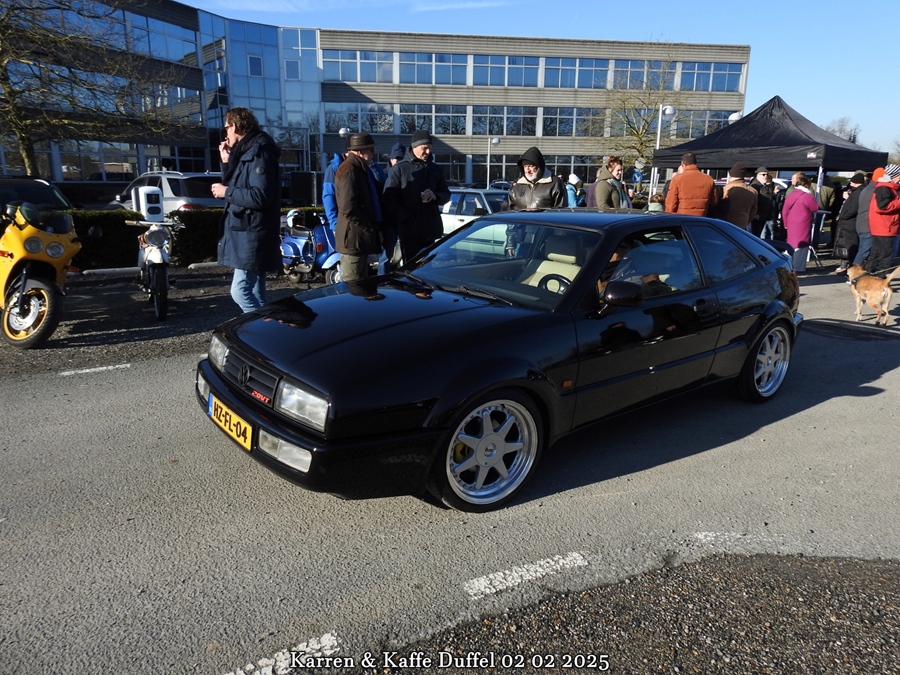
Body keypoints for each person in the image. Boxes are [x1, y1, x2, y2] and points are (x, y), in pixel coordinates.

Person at [211, 107, 282, 313]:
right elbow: (240, 184)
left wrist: (226, 191)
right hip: (249, 233)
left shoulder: (258, 153)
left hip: (252, 234)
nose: (225, 134)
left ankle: (262, 328)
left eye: (226, 128)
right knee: (257, 293)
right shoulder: (247, 151)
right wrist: (226, 163)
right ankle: (268, 327)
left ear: (235, 126)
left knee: (240, 291)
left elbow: (260, 197)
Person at [382, 130, 451, 264]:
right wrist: (405, 217)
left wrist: (435, 196)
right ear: (414, 147)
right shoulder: (400, 169)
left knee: (428, 268)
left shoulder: (435, 169)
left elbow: (446, 194)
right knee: (411, 267)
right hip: (409, 231)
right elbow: (388, 198)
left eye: (430, 148)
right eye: (424, 148)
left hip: (431, 229)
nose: (428, 152)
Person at [334, 132, 383, 281]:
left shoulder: (359, 169)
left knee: (360, 285)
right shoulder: (350, 170)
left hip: (357, 239)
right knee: (352, 285)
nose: (374, 153)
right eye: (371, 149)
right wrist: (368, 226)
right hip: (353, 240)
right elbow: (348, 208)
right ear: (360, 151)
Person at [508, 146, 566, 211]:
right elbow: (510, 212)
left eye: (531, 166)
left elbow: (560, 212)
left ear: (539, 166)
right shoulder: (517, 187)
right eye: (525, 166)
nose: (528, 170)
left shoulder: (555, 184)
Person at [378, 143, 407, 274]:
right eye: (396, 158)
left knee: (407, 255)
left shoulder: (409, 173)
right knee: (385, 255)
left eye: (401, 158)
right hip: (389, 222)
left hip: (404, 220)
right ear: (391, 159)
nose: (398, 161)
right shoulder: (383, 175)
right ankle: (382, 279)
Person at [781, 173, 819, 269]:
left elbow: (784, 210)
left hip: (791, 222)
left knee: (791, 243)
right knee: (802, 245)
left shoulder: (791, 194)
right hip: (803, 223)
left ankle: (787, 265)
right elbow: (815, 208)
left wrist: (785, 222)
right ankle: (799, 267)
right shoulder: (806, 196)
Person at [868, 163, 900, 276]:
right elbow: (882, 207)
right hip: (885, 226)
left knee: (877, 253)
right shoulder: (884, 188)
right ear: (894, 175)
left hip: (883, 226)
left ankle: (869, 276)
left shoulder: (885, 187)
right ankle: (881, 279)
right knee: (885, 255)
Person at [832, 173, 866, 274]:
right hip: (850, 222)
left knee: (850, 246)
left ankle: (851, 267)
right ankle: (848, 266)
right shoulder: (859, 191)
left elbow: (853, 209)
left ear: (855, 182)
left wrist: (843, 216)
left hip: (850, 223)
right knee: (849, 246)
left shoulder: (857, 193)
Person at [852, 167, 883, 272]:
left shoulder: (868, 188)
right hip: (867, 224)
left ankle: (863, 270)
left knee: (865, 250)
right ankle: (853, 272)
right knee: (864, 251)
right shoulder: (875, 190)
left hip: (862, 223)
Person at [720, 163, 758, 230]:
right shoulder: (753, 191)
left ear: (731, 176)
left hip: (726, 224)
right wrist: (746, 222)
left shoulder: (726, 189)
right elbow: (753, 211)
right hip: (742, 225)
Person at [750, 167, 777, 239]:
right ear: (757, 175)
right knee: (755, 237)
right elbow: (752, 201)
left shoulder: (764, 185)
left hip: (764, 216)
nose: (766, 176)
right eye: (763, 174)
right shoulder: (755, 186)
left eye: (767, 174)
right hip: (757, 218)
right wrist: (756, 214)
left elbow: (768, 198)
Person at [321, 149, 344, 230]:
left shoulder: (367, 166)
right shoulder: (333, 169)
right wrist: (335, 224)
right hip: (343, 223)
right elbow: (329, 196)